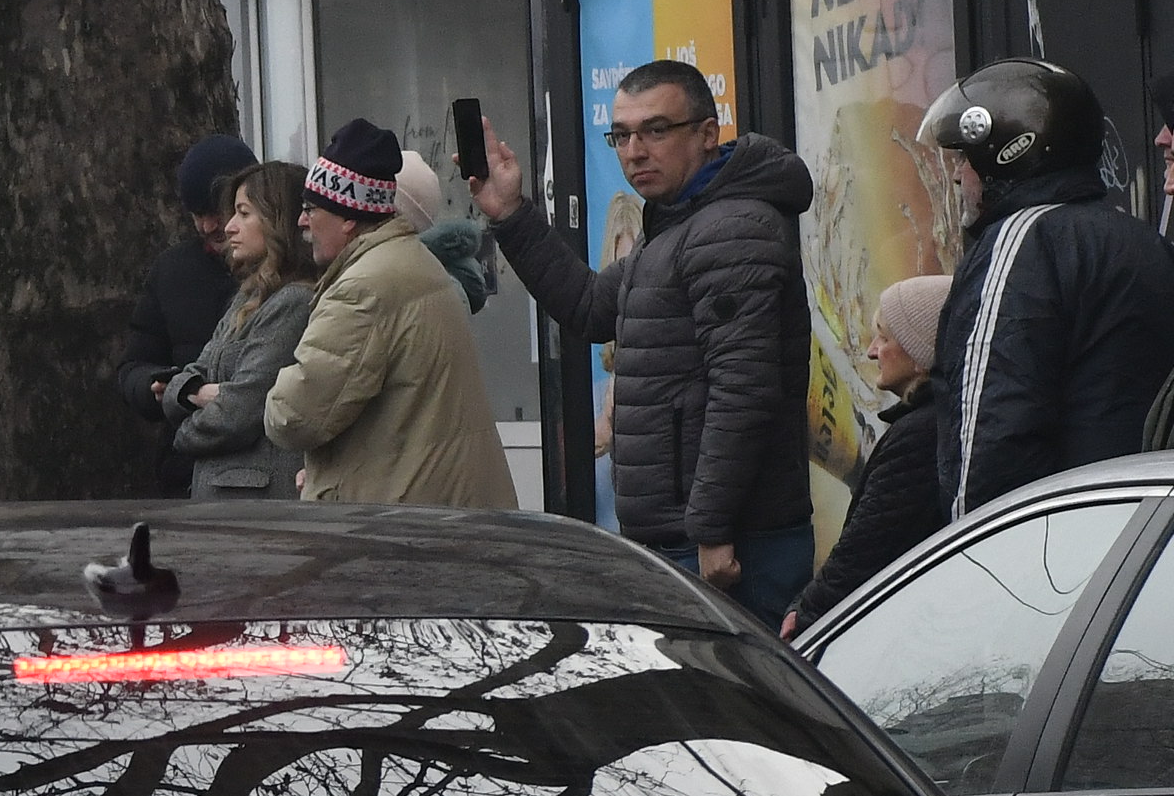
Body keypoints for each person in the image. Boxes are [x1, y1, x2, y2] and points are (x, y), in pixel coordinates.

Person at [477, 63, 812, 606]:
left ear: (707, 134)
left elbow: (742, 389)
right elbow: (589, 307)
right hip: (687, 535)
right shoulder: (682, 223)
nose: (634, 150)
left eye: (656, 130)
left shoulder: (728, 228)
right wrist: (510, 213)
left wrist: (712, 527)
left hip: (726, 545)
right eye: (622, 135)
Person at [918, 57, 1174, 519]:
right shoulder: (1137, 239)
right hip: (1135, 533)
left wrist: (971, 552)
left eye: (964, 159)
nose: (958, 176)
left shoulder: (1024, 241)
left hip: (1056, 548)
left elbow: (989, 432)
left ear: (1008, 155)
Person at [262, 122, 515, 508]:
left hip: (403, 525)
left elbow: (295, 415)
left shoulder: (363, 288)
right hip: (439, 510)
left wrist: (268, 391)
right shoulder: (412, 263)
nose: (302, 221)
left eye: (311, 209)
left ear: (348, 217)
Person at [799, 271, 966, 623]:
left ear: (921, 355)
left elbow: (867, 547)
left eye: (884, 338)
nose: (872, 351)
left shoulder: (919, 437)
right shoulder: (936, 422)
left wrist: (807, 613)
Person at [160, 164, 316, 501]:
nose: (229, 227)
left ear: (277, 220)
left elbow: (241, 412)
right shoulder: (250, 295)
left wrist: (187, 422)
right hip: (226, 498)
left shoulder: (294, 302)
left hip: (258, 502)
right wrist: (197, 391)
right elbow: (190, 375)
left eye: (243, 214)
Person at [118, 132, 253, 424]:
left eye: (217, 211)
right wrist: (151, 386)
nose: (207, 226)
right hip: (186, 455)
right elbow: (134, 365)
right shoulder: (171, 271)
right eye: (197, 214)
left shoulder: (294, 270)